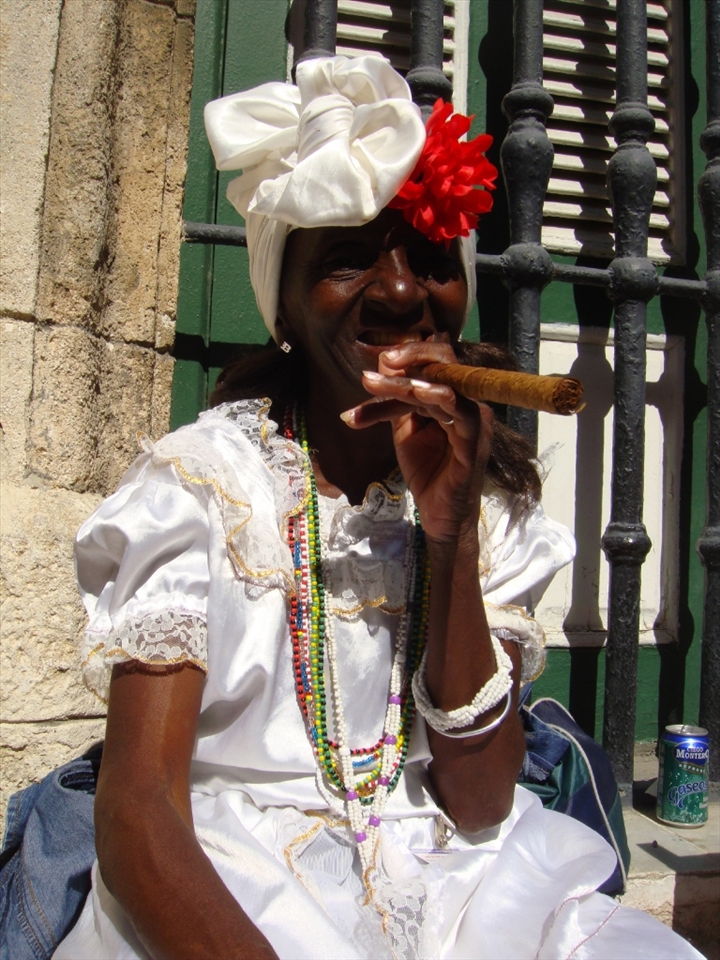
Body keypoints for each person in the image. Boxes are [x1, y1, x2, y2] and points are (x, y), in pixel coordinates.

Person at [55, 55, 702, 960]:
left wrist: (452, 538)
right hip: (228, 879)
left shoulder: (489, 501)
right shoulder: (203, 486)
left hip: (456, 880)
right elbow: (138, 814)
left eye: (431, 259)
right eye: (348, 259)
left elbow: (478, 803)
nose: (402, 292)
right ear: (282, 302)